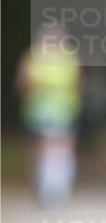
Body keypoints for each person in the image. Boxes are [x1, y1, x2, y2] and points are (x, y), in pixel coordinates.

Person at [16, 25, 82, 208]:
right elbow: (78, 84)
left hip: (37, 111)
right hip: (64, 110)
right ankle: (59, 188)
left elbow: (23, 83)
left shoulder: (33, 56)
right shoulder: (69, 57)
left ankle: (41, 188)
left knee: (38, 151)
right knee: (62, 150)